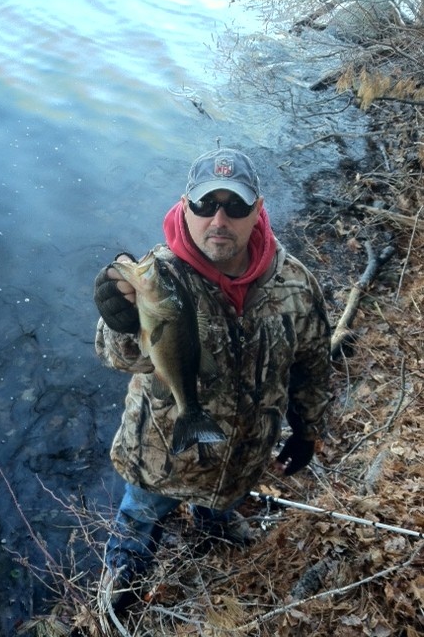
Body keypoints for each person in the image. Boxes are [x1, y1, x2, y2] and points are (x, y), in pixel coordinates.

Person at [93, 147, 331, 608]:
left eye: (236, 206)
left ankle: (215, 523)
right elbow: (118, 355)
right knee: (138, 521)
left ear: (258, 210)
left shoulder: (295, 284)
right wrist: (119, 320)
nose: (218, 219)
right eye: (206, 204)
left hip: (240, 459)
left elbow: (314, 366)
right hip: (159, 460)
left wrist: (308, 431)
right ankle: (123, 580)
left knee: (219, 507)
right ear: (186, 205)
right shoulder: (160, 274)